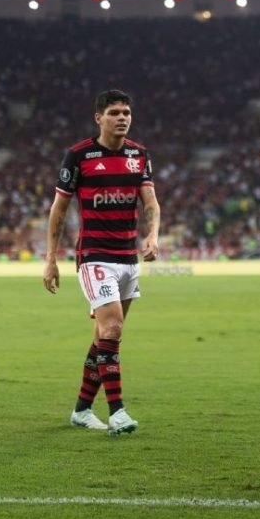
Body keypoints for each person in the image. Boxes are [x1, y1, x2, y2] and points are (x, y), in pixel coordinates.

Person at [43, 89, 160, 437]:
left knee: (104, 338)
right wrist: (51, 259)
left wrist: (153, 235)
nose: (122, 118)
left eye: (126, 112)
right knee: (112, 329)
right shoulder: (79, 156)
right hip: (94, 257)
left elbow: (151, 203)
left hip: (128, 259)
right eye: (114, 113)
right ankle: (117, 412)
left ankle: (81, 410)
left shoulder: (139, 155)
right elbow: (58, 209)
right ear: (99, 118)